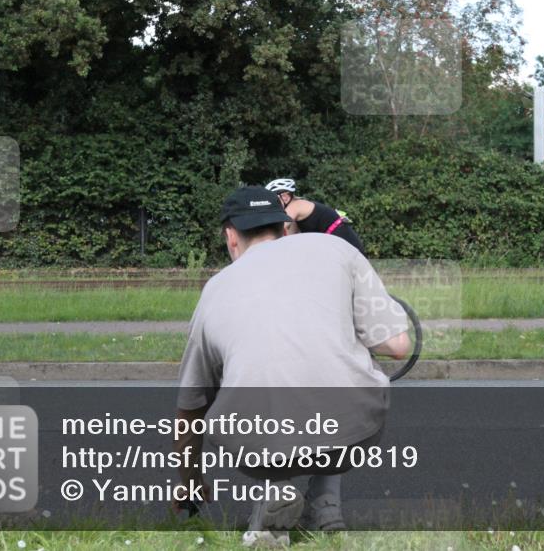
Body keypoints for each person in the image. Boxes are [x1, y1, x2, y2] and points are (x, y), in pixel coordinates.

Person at [173, 186, 409, 548]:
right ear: (285, 229)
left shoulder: (215, 289)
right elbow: (398, 346)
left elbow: (190, 406)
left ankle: (273, 500)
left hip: (257, 451)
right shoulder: (336, 250)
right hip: (353, 436)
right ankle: (326, 507)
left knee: (244, 373)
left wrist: (188, 480)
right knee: (345, 355)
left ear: (230, 237)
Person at [264, 178, 366, 256]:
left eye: (274, 200)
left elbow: (282, 228)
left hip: (341, 236)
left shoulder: (295, 206)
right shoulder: (294, 211)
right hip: (335, 239)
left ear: (285, 197)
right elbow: (290, 237)